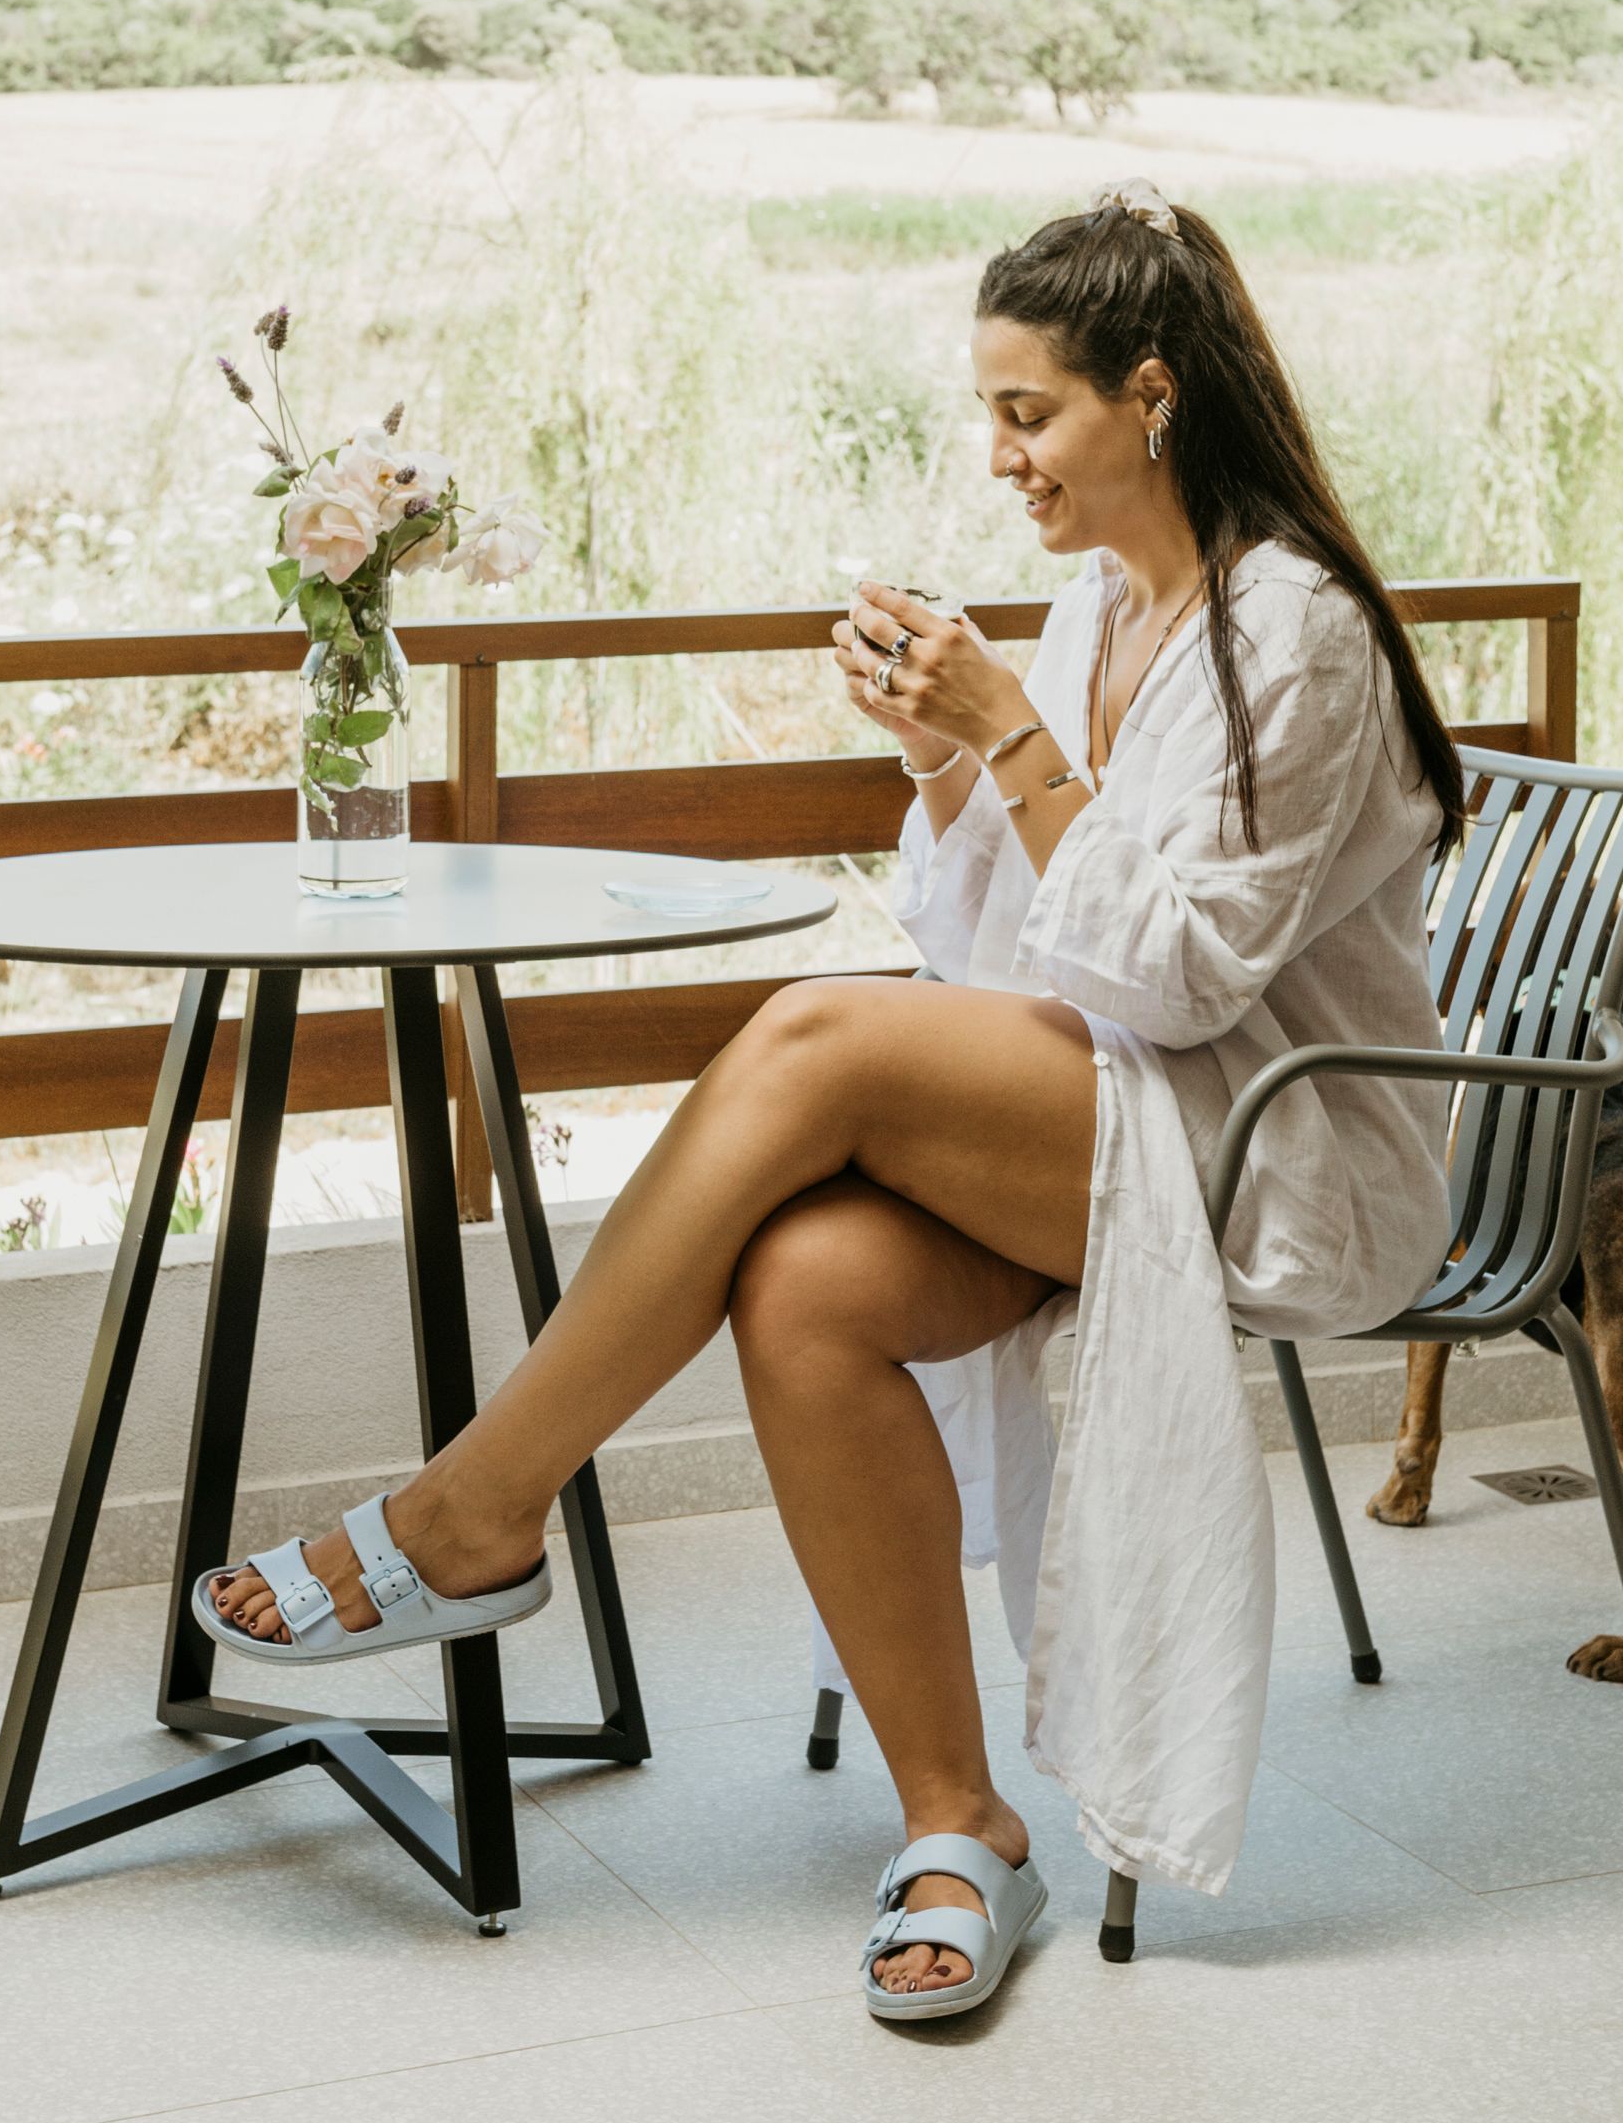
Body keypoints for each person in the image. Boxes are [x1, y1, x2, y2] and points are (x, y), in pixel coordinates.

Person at [197, 178, 1461, 2021]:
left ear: (1154, 394)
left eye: (1029, 410)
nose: (1001, 453)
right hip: (1119, 1102)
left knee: (820, 1039)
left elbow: (1182, 976)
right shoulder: (1103, 602)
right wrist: (947, 757)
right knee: (803, 1289)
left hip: (1286, 1146)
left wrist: (1009, 731)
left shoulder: (1299, 630)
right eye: (990, 410)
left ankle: (473, 1508)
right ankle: (961, 1821)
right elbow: (1009, 936)